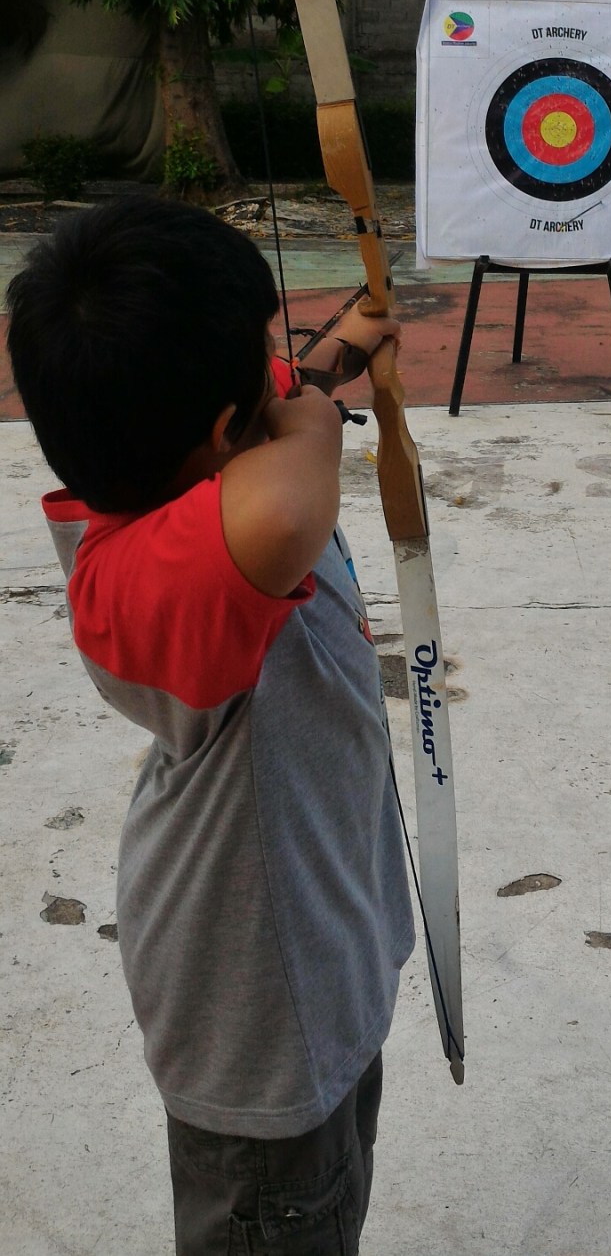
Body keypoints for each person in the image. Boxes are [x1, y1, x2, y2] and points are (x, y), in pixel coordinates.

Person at [6, 191, 414, 1256]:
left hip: (312, 970)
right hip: (259, 1044)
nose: (280, 376)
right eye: (261, 364)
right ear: (225, 432)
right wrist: (319, 409)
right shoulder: (140, 577)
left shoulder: (163, 455)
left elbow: (267, 415)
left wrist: (323, 357)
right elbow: (283, 500)